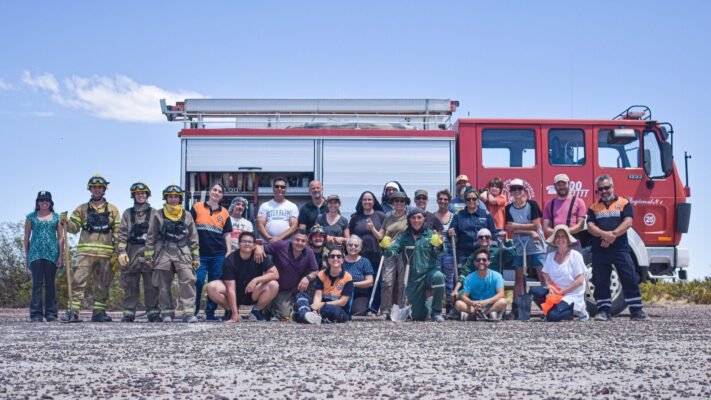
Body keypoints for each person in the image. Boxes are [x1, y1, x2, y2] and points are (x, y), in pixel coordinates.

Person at [587, 175, 648, 321]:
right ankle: (604, 311)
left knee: (629, 277)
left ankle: (636, 310)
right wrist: (604, 235)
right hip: (600, 249)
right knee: (600, 280)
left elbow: (628, 221)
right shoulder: (593, 207)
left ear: (612, 187)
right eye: (600, 189)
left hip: (620, 248)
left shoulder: (624, 203)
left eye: (607, 187)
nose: (604, 191)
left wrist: (612, 235)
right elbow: (590, 227)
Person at [60, 174, 121, 323]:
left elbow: (118, 232)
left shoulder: (113, 209)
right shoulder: (82, 209)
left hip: (106, 254)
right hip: (85, 254)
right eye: (94, 187)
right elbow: (74, 229)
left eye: (100, 187)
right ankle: (73, 312)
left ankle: (99, 312)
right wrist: (65, 222)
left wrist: (119, 251)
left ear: (104, 189)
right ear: (90, 189)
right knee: (78, 282)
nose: (97, 190)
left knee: (103, 284)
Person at [144, 185, 200, 323]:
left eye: (176, 196)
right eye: (170, 196)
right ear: (166, 198)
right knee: (163, 283)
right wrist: (149, 257)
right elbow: (151, 236)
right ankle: (167, 312)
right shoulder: (158, 214)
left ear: (180, 198)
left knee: (187, 280)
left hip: (183, 251)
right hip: (163, 251)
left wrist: (196, 257)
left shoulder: (187, 215)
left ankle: (188, 312)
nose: (173, 199)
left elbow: (193, 237)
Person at [382, 208, 446, 322]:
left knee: (439, 277)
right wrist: (385, 248)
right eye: (413, 218)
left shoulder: (431, 234)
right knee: (419, 317)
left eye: (419, 217)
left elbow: (440, 253)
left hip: (429, 273)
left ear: (424, 219)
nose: (416, 220)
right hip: (414, 279)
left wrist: (439, 245)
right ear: (409, 220)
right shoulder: (403, 237)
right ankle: (429, 303)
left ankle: (437, 312)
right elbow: (392, 252)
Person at [206, 231, 279, 322]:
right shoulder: (230, 260)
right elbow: (230, 289)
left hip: (253, 292)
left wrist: (256, 280)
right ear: (239, 243)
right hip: (234, 293)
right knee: (211, 287)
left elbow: (275, 274)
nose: (247, 244)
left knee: (273, 284)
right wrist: (234, 314)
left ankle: (257, 311)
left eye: (250, 242)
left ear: (254, 245)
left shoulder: (259, 255)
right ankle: (230, 311)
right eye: (244, 241)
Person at [116, 182, 160, 323]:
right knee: (130, 284)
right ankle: (129, 313)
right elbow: (122, 233)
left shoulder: (154, 213)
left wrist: (156, 254)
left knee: (151, 285)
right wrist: (122, 252)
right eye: (137, 193)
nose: (140, 195)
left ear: (147, 195)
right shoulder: (127, 213)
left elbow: (159, 234)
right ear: (133, 195)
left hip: (149, 253)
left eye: (143, 193)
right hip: (131, 252)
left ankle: (153, 313)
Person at [256, 229, 319, 320]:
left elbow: (315, 271)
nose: (300, 243)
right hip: (276, 287)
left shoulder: (309, 252)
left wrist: (307, 278)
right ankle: (268, 307)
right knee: (284, 314)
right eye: (297, 240)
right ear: (292, 239)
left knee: (286, 315)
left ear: (307, 242)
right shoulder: (280, 245)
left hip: (293, 288)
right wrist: (258, 248)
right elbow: (262, 247)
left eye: (303, 241)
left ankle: (277, 306)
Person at [191, 181, 232, 321]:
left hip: (218, 255)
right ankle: (193, 312)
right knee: (197, 282)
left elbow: (227, 234)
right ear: (210, 191)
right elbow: (190, 230)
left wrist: (229, 251)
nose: (217, 193)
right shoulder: (196, 208)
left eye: (220, 191)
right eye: (215, 190)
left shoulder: (225, 212)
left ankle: (210, 314)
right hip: (199, 255)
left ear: (222, 195)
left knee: (214, 284)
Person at [530, 225, 588, 322]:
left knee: (552, 317)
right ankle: (554, 310)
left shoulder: (575, 256)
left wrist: (562, 292)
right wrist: (549, 286)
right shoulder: (550, 256)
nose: (560, 239)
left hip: (571, 294)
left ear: (568, 239)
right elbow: (546, 275)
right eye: (558, 236)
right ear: (554, 240)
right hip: (555, 292)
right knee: (534, 291)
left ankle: (576, 310)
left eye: (563, 236)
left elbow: (580, 281)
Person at [505, 178, 547, 304]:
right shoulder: (508, 209)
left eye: (519, 189)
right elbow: (511, 229)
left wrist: (517, 226)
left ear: (524, 190)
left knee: (542, 275)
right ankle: (517, 307)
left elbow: (536, 225)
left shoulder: (532, 205)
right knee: (519, 277)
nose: (516, 191)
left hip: (536, 244)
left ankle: (548, 305)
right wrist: (529, 231)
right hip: (519, 244)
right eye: (513, 189)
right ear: (510, 192)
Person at [24, 191, 62, 322]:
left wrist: (60, 256)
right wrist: (26, 256)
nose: (44, 202)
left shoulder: (57, 217)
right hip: (35, 255)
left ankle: (51, 314)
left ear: (51, 202)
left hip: (52, 254)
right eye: (41, 200)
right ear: (37, 202)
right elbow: (26, 237)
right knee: (37, 284)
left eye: (46, 200)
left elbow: (60, 238)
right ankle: (36, 315)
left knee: (50, 284)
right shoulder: (31, 217)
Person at [453, 228, 516, 306]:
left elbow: (513, 254)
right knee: (459, 295)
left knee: (502, 300)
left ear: (491, 239)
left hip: (493, 284)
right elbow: (464, 272)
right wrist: (456, 289)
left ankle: (488, 311)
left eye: (487, 237)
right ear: (478, 240)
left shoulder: (498, 252)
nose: (484, 238)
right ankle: (473, 310)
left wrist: (506, 240)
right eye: (481, 237)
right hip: (477, 284)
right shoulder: (473, 255)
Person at [292, 247, 354, 324]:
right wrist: (315, 308)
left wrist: (323, 304)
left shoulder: (348, 277)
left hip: (338, 309)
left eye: (338, 256)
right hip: (320, 306)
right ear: (328, 260)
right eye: (332, 256)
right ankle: (307, 315)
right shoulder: (321, 274)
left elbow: (343, 302)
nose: (335, 258)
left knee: (330, 309)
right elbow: (318, 295)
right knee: (300, 294)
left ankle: (304, 317)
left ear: (342, 260)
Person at [374, 191, 410, 319]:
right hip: (389, 252)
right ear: (392, 203)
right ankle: (385, 310)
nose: (399, 203)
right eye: (396, 201)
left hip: (403, 252)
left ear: (405, 203)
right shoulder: (388, 218)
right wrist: (372, 228)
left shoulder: (409, 218)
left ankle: (401, 309)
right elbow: (380, 235)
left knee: (402, 282)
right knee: (386, 281)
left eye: (402, 201)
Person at [349, 191, 386, 312]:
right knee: (361, 281)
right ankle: (361, 306)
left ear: (374, 201)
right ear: (361, 201)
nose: (367, 202)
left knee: (376, 283)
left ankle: (374, 308)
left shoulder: (381, 215)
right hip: (360, 256)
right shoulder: (355, 217)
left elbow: (382, 236)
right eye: (364, 199)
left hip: (376, 255)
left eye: (369, 199)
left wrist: (372, 228)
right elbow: (350, 236)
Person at [448, 188, 496, 267]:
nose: (471, 201)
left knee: (481, 275)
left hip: (482, 252)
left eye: (474, 199)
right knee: (463, 275)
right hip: (463, 253)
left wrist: (493, 251)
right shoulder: (458, 216)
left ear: (478, 201)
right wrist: (451, 233)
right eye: (468, 199)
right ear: (465, 201)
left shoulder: (486, 215)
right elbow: (451, 235)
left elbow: (493, 233)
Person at [455, 248, 507, 320]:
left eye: (484, 260)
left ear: (489, 262)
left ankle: (479, 315)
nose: (481, 262)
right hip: (475, 306)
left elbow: (501, 294)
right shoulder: (469, 278)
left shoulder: (497, 276)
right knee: (458, 304)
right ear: (474, 262)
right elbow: (464, 296)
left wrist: (485, 302)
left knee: (503, 302)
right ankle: (487, 315)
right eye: (478, 260)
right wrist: (472, 303)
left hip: (491, 304)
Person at [542, 174, 587, 251]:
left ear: (569, 184)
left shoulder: (579, 202)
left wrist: (562, 233)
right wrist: (559, 234)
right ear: (555, 186)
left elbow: (580, 225)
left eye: (564, 184)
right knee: (551, 262)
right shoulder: (548, 204)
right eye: (559, 184)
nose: (562, 187)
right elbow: (545, 228)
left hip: (573, 243)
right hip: (554, 243)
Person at [257, 177, 299, 242]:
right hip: (268, 243)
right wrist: (270, 239)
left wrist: (279, 238)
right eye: (277, 186)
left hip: (286, 244)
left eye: (282, 187)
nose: (279, 189)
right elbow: (260, 225)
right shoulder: (264, 205)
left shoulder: (292, 206)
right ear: (273, 189)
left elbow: (294, 226)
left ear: (286, 189)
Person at [434, 189, 456, 315]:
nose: (443, 201)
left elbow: (458, 235)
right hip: (436, 250)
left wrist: (454, 234)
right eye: (441, 199)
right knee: (437, 278)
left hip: (449, 250)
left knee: (449, 279)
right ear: (437, 200)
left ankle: (449, 306)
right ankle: (436, 306)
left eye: (445, 199)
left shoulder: (454, 217)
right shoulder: (432, 216)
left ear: (449, 201)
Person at [342, 235, 374, 316]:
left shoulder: (365, 261)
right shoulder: (340, 260)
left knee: (357, 313)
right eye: (350, 245)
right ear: (346, 247)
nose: (353, 247)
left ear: (360, 248)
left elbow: (370, 282)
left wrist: (353, 284)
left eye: (356, 246)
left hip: (359, 294)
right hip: (341, 293)